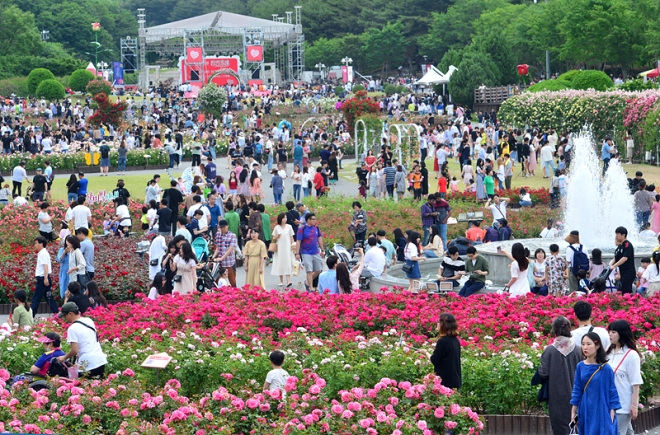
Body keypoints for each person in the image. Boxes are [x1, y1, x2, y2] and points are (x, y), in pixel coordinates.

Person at [538, 316, 584, 435]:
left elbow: (543, 373)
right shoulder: (579, 350)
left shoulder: (549, 351)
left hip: (556, 397)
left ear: (554, 330)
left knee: (559, 428)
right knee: (575, 426)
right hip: (576, 395)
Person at [570, 332, 621, 435]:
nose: (585, 347)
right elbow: (577, 389)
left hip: (602, 408)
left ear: (597, 346)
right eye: (583, 344)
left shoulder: (605, 368)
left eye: (589, 344)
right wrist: (573, 411)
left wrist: (612, 410)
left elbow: (612, 390)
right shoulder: (580, 366)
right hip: (586, 408)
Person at [607, 320, 643, 435]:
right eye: (609, 332)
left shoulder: (631, 355)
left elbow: (635, 383)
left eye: (613, 332)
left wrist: (634, 405)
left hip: (623, 405)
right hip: (609, 402)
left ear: (622, 333)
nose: (610, 335)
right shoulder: (609, 351)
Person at [56, 302, 108, 379]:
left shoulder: (72, 328)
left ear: (70, 314)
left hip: (87, 363)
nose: (65, 318)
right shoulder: (88, 320)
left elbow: (74, 350)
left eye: (65, 316)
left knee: (85, 388)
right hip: (100, 360)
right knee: (98, 386)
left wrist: (64, 358)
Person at [429, 313, 462, 389]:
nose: (437, 323)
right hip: (455, 381)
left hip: (445, 383)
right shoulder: (455, 341)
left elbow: (434, 360)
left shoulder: (442, 341)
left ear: (443, 324)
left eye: (438, 322)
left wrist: (425, 353)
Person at [296, 212, 324, 292]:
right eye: (313, 219)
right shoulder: (302, 229)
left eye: (315, 219)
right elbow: (298, 241)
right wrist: (297, 253)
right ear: (308, 220)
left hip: (315, 252)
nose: (315, 221)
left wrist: (322, 249)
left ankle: (307, 283)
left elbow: (319, 238)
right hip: (306, 252)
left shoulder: (316, 228)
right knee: (309, 270)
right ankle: (311, 287)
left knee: (319, 270)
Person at [32, 236, 58, 316]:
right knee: (49, 298)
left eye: (36, 243)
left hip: (42, 278)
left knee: (36, 299)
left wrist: (45, 278)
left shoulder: (43, 253)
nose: (35, 245)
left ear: (41, 244)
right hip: (44, 278)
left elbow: (45, 266)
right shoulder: (43, 252)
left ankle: (30, 315)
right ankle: (57, 314)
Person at [271, 213, 295, 288]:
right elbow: (273, 238)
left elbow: (291, 238)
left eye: (286, 218)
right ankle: (281, 280)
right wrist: (277, 236)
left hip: (287, 248)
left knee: (287, 262)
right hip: (279, 248)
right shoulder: (277, 228)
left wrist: (293, 246)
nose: (285, 219)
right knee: (280, 262)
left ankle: (288, 280)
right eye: (284, 218)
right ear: (280, 219)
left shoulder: (289, 227)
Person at [213, 220, 238, 287]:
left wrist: (222, 258)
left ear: (227, 226)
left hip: (229, 262)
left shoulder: (232, 235)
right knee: (218, 282)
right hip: (220, 263)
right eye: (221, 227)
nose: (222, 229)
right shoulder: (218, 235)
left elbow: (230, 249)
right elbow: (217, 248)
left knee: (232, 281)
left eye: (224, 227)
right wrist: (213, 257)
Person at [610, 226, 635, 294]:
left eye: (618, 234)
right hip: (623, 272)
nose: (616, 236)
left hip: (628, 272)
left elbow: (625, 258)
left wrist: (614, 266)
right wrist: (610, 265)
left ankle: (628, 303)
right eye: (616, 234)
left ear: (623, 235)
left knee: (626, 291)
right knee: (622, 290)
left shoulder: (627, 245)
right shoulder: (620, 246)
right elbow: (616, 258)